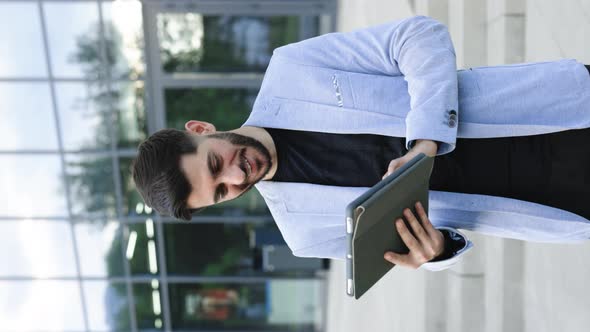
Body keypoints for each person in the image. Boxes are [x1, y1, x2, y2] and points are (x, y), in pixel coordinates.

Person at [131, 15, 590, 271]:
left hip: (556, 111)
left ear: (199, 130)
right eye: (222, 192)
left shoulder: (292, 70)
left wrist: (425, 141)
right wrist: (435, 253)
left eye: (215, 165)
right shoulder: (303, 235)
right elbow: (410, 251)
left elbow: (418, 36)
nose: (236, 176)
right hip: (557, 205)